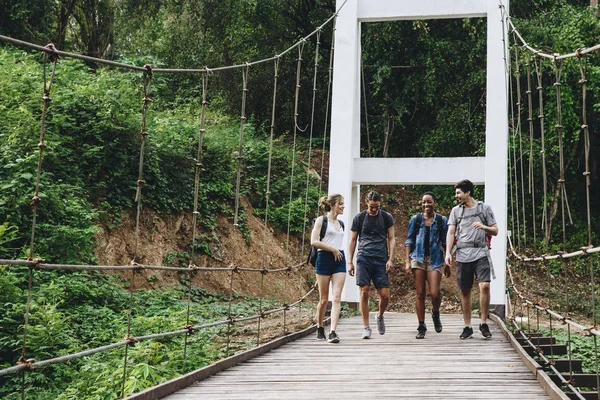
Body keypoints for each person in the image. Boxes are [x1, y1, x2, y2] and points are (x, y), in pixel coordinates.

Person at [445, 180, 498, 340]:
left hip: (481, 252)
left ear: (468, 192)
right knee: (465, 290)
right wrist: (448, 253)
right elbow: (451, 232)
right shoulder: (456, 211)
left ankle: (483, 323)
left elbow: (495, 230)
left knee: (485, 286)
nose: (457, 196)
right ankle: (467, 326)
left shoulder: (484, 209)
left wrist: (484, 227)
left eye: (458, 193)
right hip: (463, 254)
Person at [347, 191, 395, 339]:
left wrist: (391, 259)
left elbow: (392, 238)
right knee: (364, 291)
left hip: (380, 258)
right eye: (372, 207)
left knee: (385, 296)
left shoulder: (386, 217)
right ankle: (366, 327)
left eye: (377, 207)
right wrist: (349, 261)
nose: (374, 210)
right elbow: (353, 240)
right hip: (363, 257)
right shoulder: (359, 218)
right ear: (366, 203)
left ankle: (379, 316)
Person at [404, 192, 450, 339]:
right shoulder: (416, 219)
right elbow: (409, 240)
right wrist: (406, 261)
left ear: (434, 202)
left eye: (429, 202)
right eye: (424, 202)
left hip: (435, 259)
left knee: (435, 293)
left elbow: (445, 241)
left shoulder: (441, 220)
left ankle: (435, 313)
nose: (426, 205)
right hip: (417, 258)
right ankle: (421, 325)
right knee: (420, 293)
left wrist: (448, 261)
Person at [311, 194, 346, 343]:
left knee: (337, 296)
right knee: (324, 299)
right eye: (340, 204)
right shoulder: (321, 220)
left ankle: (332, 332)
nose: (343, 206)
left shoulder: (342, 224)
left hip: (339, 259)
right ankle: (320, 327)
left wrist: (336, 251)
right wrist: (332, 249)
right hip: (324, 258)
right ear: (332, 205)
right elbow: (314, 241)